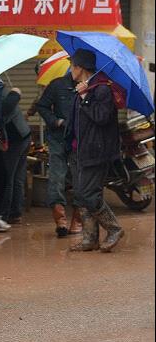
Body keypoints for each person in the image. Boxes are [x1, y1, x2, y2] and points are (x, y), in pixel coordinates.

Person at [66, 49, 124, 253]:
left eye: (72, 65)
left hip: (95, 151)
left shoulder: (101, 89)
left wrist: (85, 97)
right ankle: (90, 239)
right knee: (81, 195)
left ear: (80, 68)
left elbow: (101, 117)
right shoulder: (83, 88)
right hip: (78, 151)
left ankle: (114, 228)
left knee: (88, 194)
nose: (69, 69)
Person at [37, 73, 80, 237]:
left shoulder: (90, 86)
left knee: (79, 178)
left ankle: (77, 219)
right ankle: (60, 219)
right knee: (56, 177)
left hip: (79, 139)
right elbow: (42, 106)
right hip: (58, 138)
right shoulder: (57, 84)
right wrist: (56, 121)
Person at [0, 88, 31, 225]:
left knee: (8, 177)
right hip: (23, 135)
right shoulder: (1, 89)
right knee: (17, 178)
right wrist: (16, 93)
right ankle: (15, 212)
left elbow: (3, 112)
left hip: (15, 139)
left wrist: (15, 93)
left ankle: (5, 215)